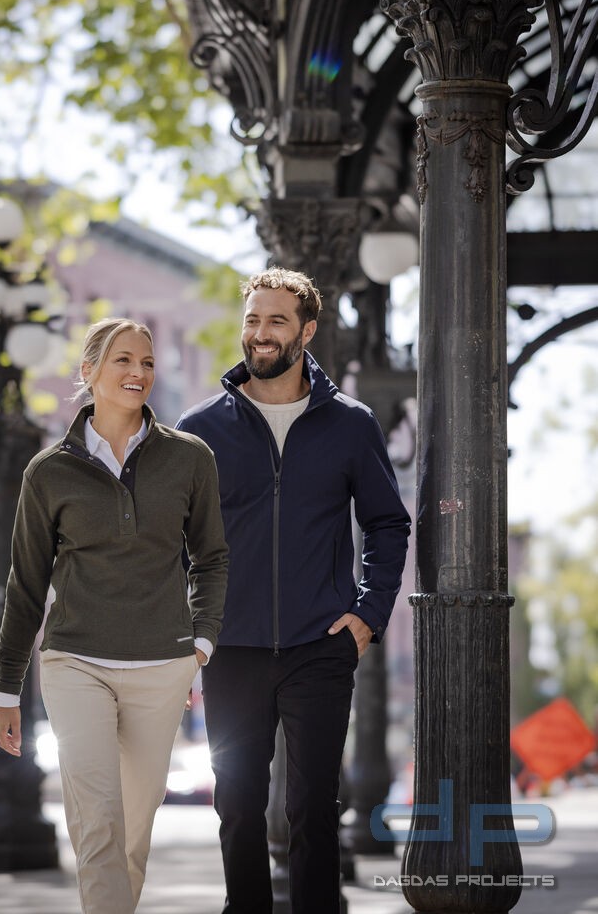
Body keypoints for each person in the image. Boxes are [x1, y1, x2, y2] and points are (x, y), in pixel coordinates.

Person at [176, 268, 411, 914]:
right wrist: (190, 628)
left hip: (320, 644)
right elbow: (174, 536)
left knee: (314, 808)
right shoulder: (201, 428)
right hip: (231, 646)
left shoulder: (350, 424)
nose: (260, 332)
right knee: (237, 804)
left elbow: (387, 524)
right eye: (253, 319)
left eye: (276, 321)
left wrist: (367, 614)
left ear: (306, 331)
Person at [0, 317, 228, 914]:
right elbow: (26, 583)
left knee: (133, 831)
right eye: (123, 359)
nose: (137, 372)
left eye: (146, 362)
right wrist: (7, 688)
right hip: (75, 661)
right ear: (89, 371)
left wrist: (200, 645)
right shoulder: (49, 471)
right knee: (97, 817)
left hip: (161, 667)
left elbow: (211, 558)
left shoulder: (189, 458)